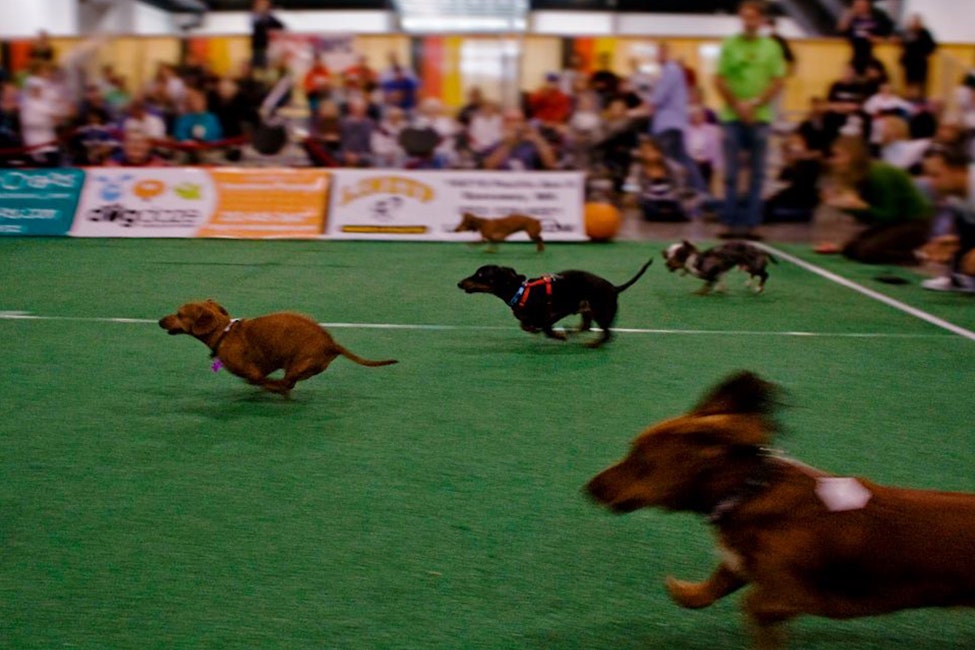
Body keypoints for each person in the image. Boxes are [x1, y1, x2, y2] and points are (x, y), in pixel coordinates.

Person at [714, 0, 787, 240]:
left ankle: (753, 223)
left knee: (758, 173)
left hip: (761, 117)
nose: (749, 22)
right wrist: (738, 105)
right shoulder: (730, 45)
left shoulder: (772, 48)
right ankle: (728, 222)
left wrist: (755, 104)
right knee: (732, 174)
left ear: (761, 20)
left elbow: (777, 81)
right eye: (745, 17)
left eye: (753, 17)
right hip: (732, 117)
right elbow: (720, 79)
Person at [816, 135, 932, 264]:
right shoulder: (861, 176)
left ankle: (916, 256)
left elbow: (889, 215)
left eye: (837, 156)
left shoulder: (879, 174)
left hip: (913, 222)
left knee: (866, 252)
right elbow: (870, 218)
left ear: (853, 156)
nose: (833, 161)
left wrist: (861, 207)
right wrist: (848, 207)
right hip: (896, 222)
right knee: (850, 249)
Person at [647, 42, 708, 194]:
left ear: (666, 53)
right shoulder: (668, 72)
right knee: (682, 159)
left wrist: (637, 110)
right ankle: (700, 192)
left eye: (660, 52)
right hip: (674, 124)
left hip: (667, 124)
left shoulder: (670, 70)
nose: (657, 56)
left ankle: (667, 195)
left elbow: (657, 98)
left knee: (663, 162)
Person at [920, 147, 975, 292]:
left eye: (936, 175)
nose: (931, 183)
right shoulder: (955, 194)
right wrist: (953, 242)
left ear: (958, 171)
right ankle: (959, 277)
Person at [625, 135, 698, 222]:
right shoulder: (638, 168)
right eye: (644, 151)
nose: (647, 153)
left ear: (659, 152)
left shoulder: (668, 164)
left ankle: (671, 214)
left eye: (651, 150)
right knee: (650, 209)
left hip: (670, 198)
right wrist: (630, 194)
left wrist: (683, 174)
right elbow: (631, 182)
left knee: (679, 208)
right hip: (650, 199)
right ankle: (662, 215)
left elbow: (681, 171)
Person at [481, 108, 557, 171]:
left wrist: (537, 139)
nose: (513, 124)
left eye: (518, 120)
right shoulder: (494, 144)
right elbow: (487, 168)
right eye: (509, 120)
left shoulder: (531, 145)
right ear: (502, 123)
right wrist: (509, 144)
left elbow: (551, 165)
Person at [837, 0, 893, 75]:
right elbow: (840, 31)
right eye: (858, 4)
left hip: (871, 55)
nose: (861, 6)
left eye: (863, 4)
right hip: (856, 55)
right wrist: (848, 16)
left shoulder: (878, 16)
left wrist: (881, 38)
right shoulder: (852, 18)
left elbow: (888, 32)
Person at [898, 14, 937, 98]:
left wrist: (925, 54)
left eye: (916, 22)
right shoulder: (907, 32)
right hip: (909, 63)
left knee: (921, 85)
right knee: (909, 84)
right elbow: (902, 44)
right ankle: (909, 99)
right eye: (913, 22)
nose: (914, 24)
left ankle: (920, 101)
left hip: (921, 63)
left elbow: (932, 47)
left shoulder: (925, 33)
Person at [250, 0, 285, 69]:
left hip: (270, 50)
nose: (263, 7)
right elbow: (257, 26)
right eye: (261, 5)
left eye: (265, 5)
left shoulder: (271, 18)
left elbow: (281, 27)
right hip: (259, 49)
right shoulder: (254, 18)